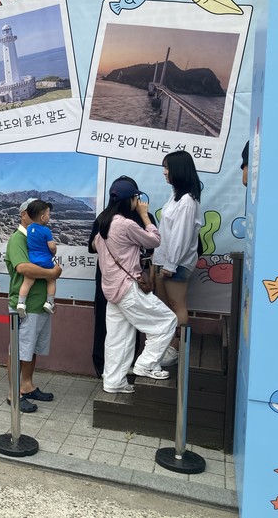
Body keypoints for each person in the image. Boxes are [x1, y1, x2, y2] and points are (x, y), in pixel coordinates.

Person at [92, 180, 177, 393]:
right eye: (135, 198)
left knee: (118, 338)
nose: (138, 202)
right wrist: (145, 216)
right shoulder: (126, 224)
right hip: (128, 287)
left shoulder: (104, 222)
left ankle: (113, 382)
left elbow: (94, 245)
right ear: (128, 200)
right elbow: (154, 241)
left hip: (111, 290)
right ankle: (146, 364)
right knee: (167, 321)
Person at [87, 176, 156, 378]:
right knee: (115, 325)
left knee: (119, 324)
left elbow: (152, 247)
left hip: (117, 279)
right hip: (122, 278)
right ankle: (113, 368)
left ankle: (113, 369)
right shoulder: (120, 218)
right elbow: (92, 246)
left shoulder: (107, 217)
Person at [5, 198, 62, 412]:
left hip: (39, 304)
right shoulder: (18, 239)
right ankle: (13, 393)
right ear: (24, 215)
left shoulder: (34, 236)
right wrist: (52, 273)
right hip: (25, 306)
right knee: (19, 349)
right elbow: (23, 268)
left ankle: (27, 385)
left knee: (32, 348)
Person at [153, 150, 203, 368]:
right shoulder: (176, 197)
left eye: (167, 168)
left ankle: (176, 348)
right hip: (165, 260)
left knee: (176, 305)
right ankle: (167, 346)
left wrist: (171, 264)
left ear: (179, 170)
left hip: (176, 264)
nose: (164, 172)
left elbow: (181, 237)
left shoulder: (187, 201)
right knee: (165, 307)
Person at [16, 200, 56, 317]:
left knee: (27, 282)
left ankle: (21, 303)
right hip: (46, 262)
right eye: (48, 214)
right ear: (42, 217)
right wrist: (54, 250)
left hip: (33, 261)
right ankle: (49, 302)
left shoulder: (29, 229)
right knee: (51, 280)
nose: (49, 217)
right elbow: (51, 246)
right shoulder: (46, 230)